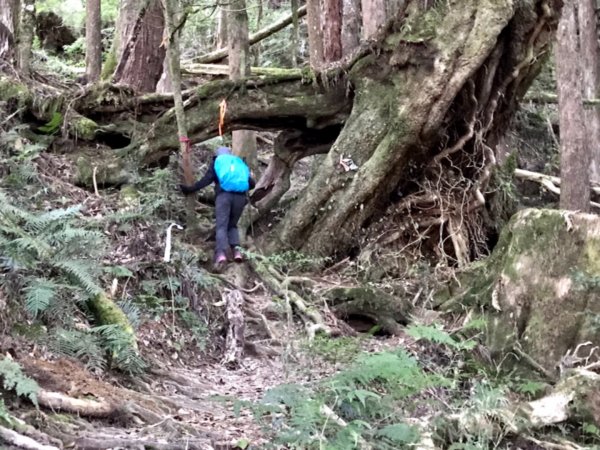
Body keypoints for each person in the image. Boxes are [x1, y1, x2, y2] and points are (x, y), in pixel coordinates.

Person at [180, 146, 255, 266]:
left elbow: (206, 180)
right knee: (232, 225)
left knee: (221, 226)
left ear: (217, 155)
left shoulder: (217, 162)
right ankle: (237, 252)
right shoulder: (238, 163)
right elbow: (252, 184)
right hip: (240, 198)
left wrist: (190, 189)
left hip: (224, 197)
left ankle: (221, 254)